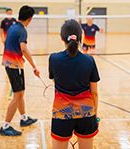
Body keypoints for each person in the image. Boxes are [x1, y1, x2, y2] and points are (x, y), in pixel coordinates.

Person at [49, 19, 100, 149]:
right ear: (80, 37)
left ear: (62, 37)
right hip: (87, 112)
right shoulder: (89, 60)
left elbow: (56, 82)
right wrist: (95, 115)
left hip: (61, 112)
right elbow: (94, 92)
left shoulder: (53, 59)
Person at [0, 5, 39, 136]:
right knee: (17, 95)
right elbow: (23, 48)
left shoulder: (13, 26)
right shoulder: (22, 30)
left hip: (12, 64)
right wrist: (34, 66)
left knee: (21, 93)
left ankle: (24, 118)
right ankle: (5, 126)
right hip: (13, 66)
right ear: (30, 18)